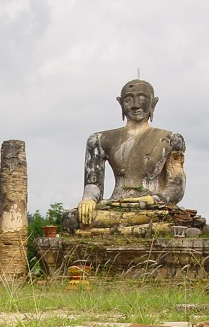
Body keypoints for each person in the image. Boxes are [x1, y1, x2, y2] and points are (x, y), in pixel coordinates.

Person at [64, 79, 186, 232]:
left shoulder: (171, 139)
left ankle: (112, 232)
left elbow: (176, 187)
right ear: (120, 103)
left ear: (153, 103)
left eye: (142, 98)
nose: (135, 105)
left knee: (174, 220)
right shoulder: (99, 139)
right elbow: (93, 184)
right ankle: (131, 230)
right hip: (115, 205)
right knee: (71, 218)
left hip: (151, 207)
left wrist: (152, 200)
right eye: (129, 99)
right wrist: (88, 199)